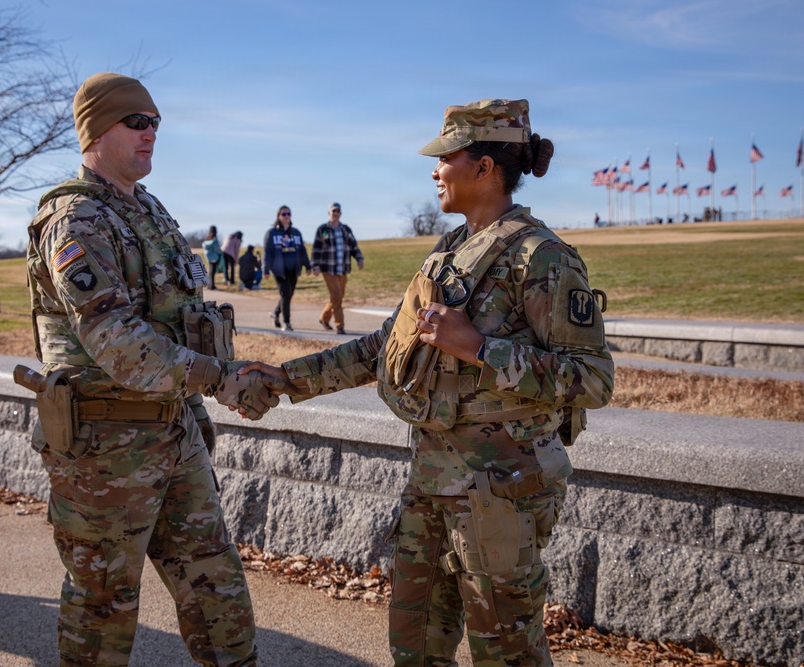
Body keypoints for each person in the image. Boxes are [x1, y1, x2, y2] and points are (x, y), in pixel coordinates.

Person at [241, 99, 614, 666]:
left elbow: (591, 379)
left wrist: (478, 347)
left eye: (447, 158)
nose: (435, 170)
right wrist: (286, 379)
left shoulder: (542, 258)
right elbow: (382, 346)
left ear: (485, 168)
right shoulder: (449, 251)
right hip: (432, 484)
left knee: (507, 652)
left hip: (501, 494)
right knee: (413, 646)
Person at [24, 72, 282, 667]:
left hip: (172, 432)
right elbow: (117, 341)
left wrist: (193, 413)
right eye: (136, 123)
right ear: (95, 131)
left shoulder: (150, 212)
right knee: (104, 605)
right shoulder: (77, 219)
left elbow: (178, 324)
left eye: (156, 123)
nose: (151, 134)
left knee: (215, 585)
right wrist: (217, 381)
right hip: (105, 445)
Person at [311, 202, 364, 335]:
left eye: (337, 211)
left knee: (338, 297)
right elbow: (316, 249)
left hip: (343, 268)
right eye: (333, 211)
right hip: (328, 269)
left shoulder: (346, 229)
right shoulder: (322, 229)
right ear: (329, 213)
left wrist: (359, 258)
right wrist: (315, 266)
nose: (335, 213)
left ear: (340, 213)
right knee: (336, 295)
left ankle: (324, 318)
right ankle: (340, 325)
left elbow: (354, 246)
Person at [262, 206, 310, 332]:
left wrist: (307, 265)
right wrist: (265, 269)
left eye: (288, 213)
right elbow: (267, 252)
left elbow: (302, 251)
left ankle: (275, 313)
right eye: (284, 214)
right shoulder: (271, 233)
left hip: (294, 269)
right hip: (279, 270)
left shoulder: (296, 233)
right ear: (279, 216)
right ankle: (287, 323)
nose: (286, 216)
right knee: (286, 295)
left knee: (287, 296)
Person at [203, 225, 222, 290]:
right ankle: (212, 286)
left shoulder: (207, 238)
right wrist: (221, 252)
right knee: (213, 272)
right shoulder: (214, 240)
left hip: (209, 257)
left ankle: (209, 285)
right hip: (214, 257)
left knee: (210, 272)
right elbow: (217, 249)